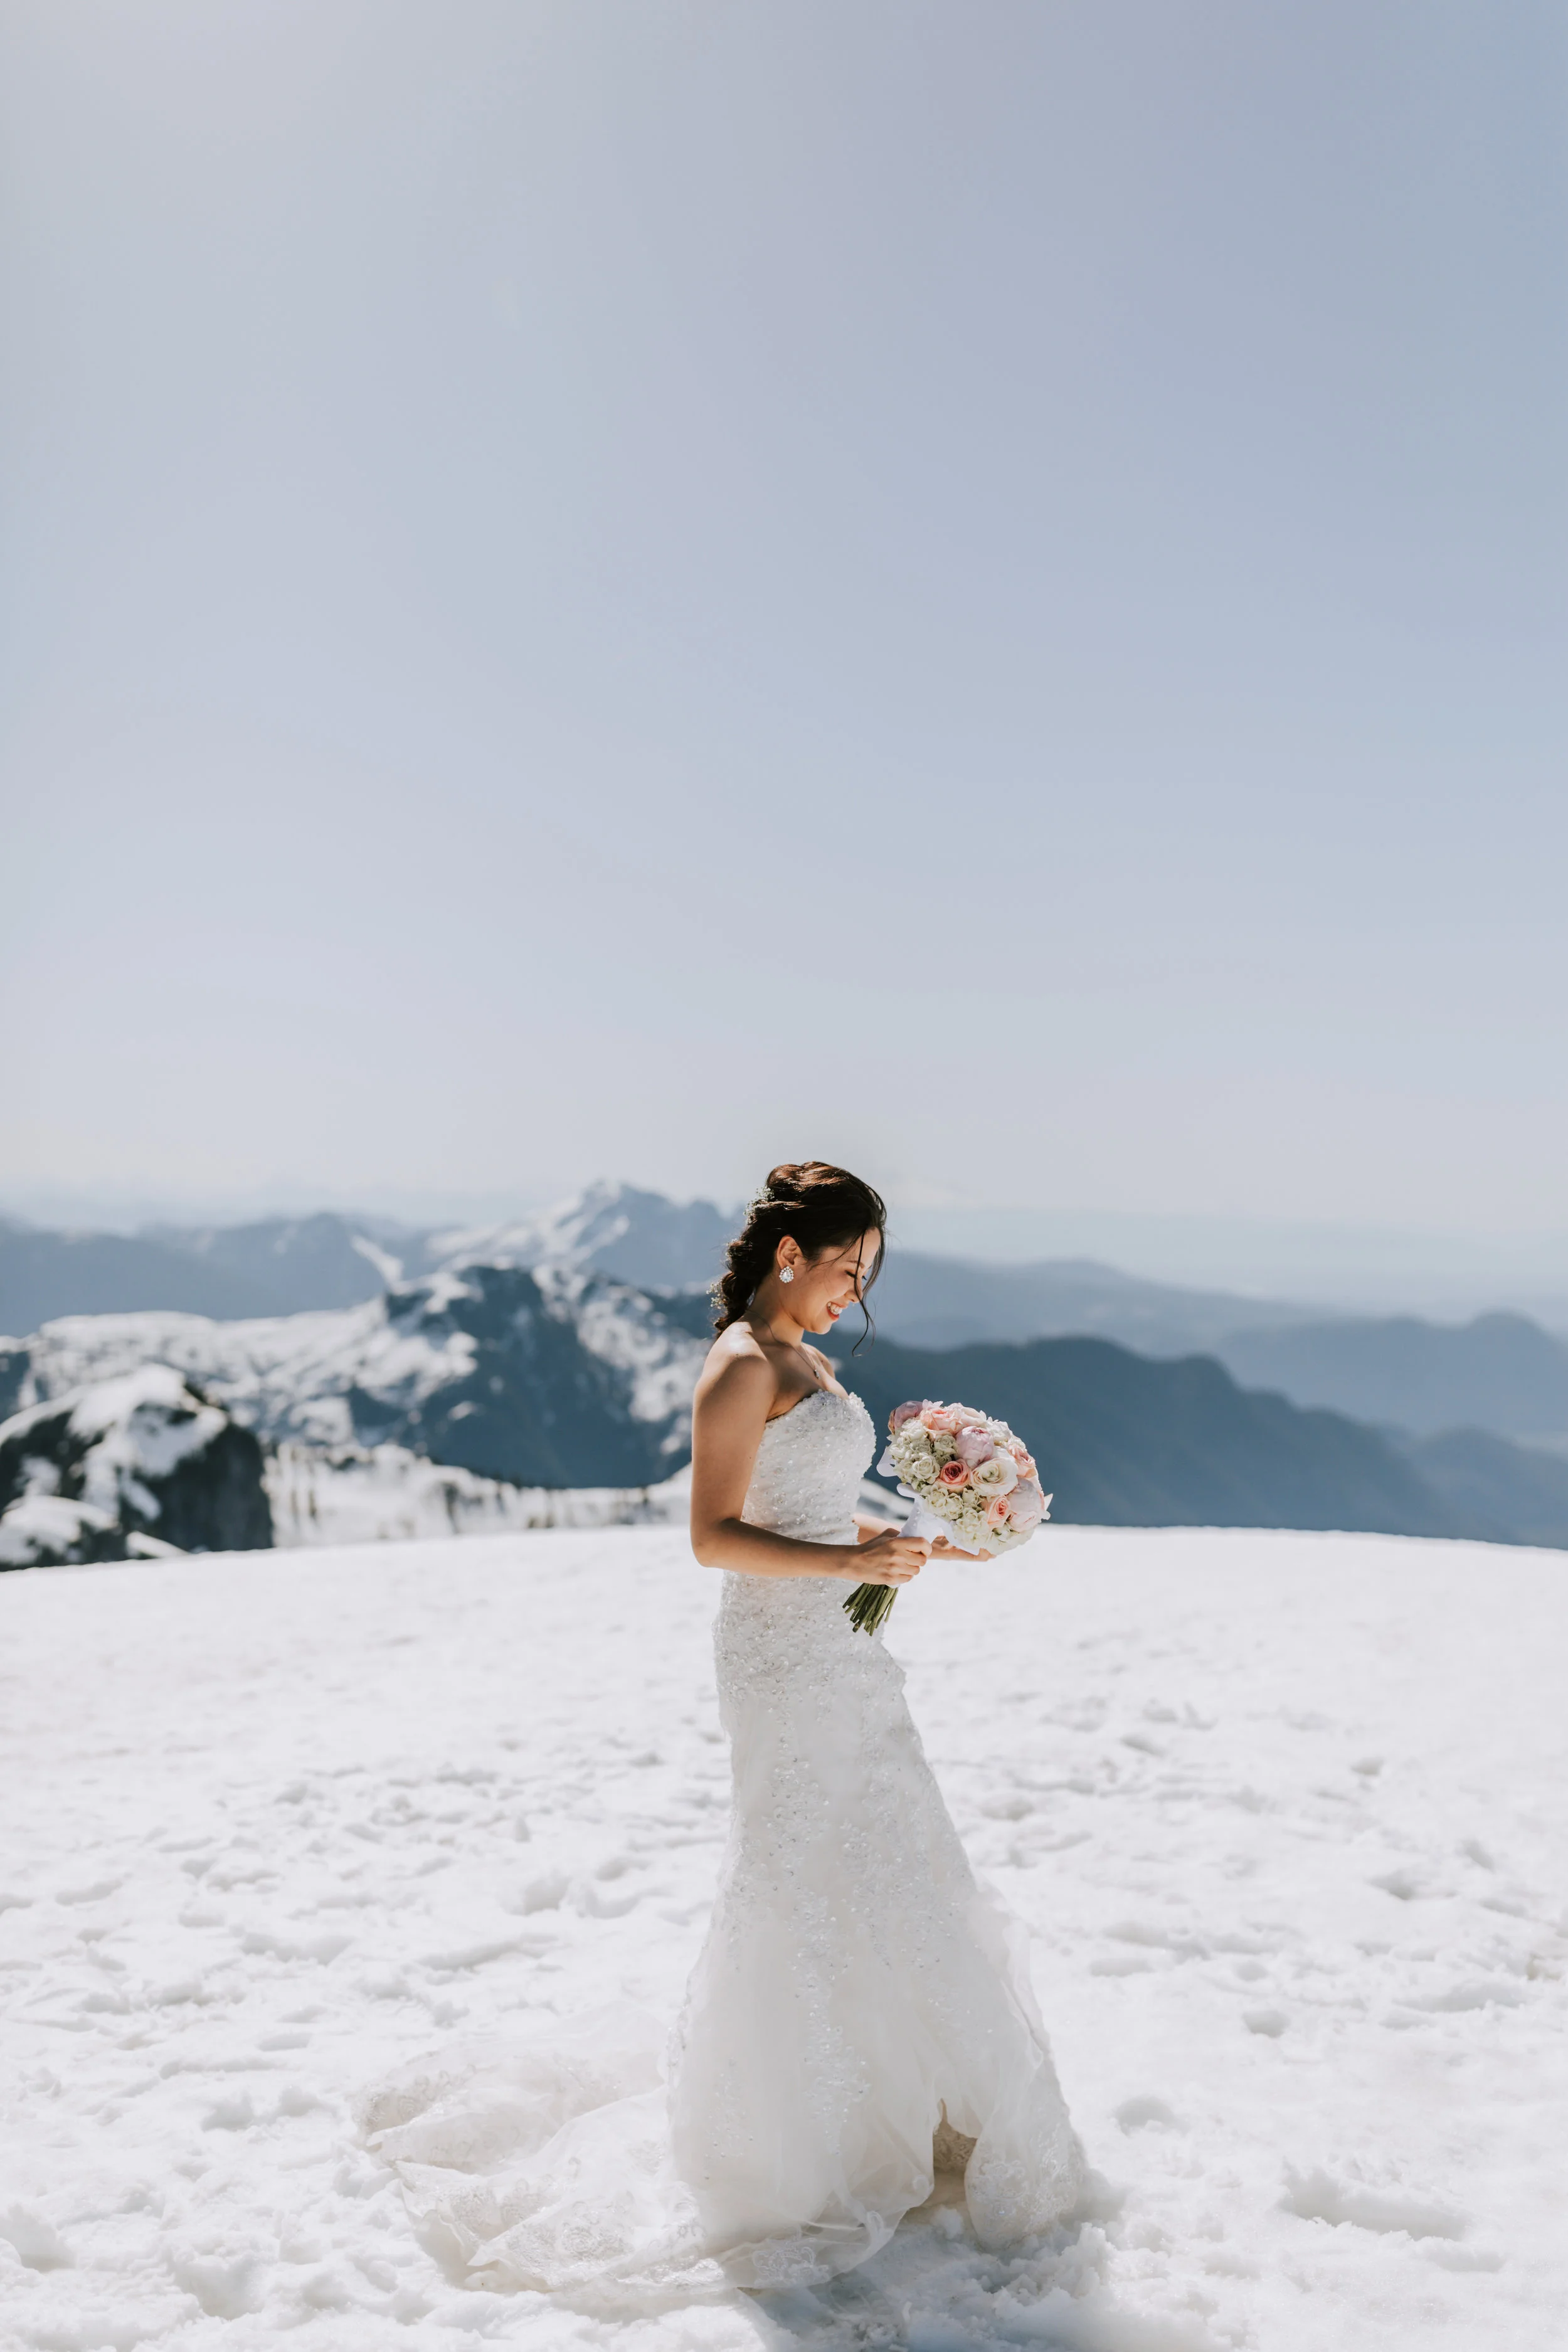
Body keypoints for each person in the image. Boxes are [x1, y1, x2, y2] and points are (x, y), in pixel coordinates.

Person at [362, 1162, 1081, 2302]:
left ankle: (919, 2099)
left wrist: (899, 1544)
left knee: (893, 1844)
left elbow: (798, 1509)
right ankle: (807, 2132)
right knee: (799, 1859)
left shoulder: (812, 1360)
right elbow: (713, 1534)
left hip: (842, 1644)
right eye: (848, 1265)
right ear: (791, 1253)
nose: (857, 1289)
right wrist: (849, 1562)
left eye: (869, 1273)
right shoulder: (742, 1364)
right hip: (775, 1653)